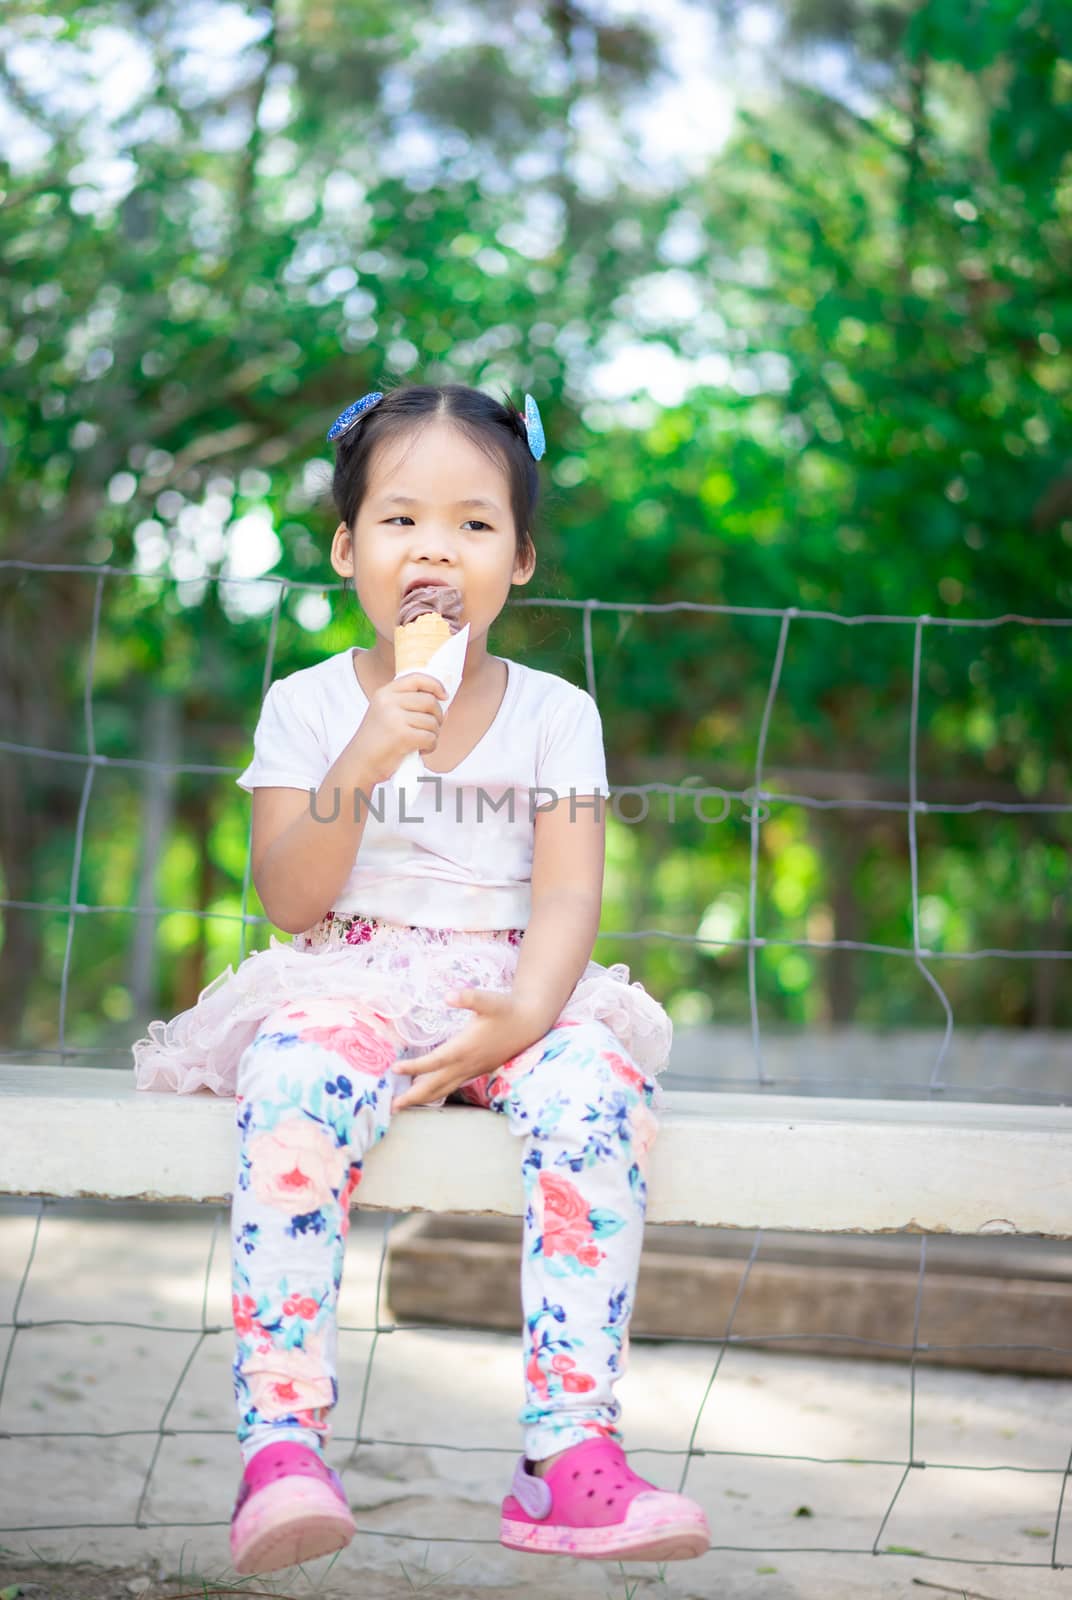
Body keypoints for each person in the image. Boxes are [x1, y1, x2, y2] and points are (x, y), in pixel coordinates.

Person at [131, 382, 710, 1574]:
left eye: (473, 522)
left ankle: (566, 1455)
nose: (434, 545)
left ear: (521, 559)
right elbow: (291, 898)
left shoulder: (555, 713)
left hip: (511, 988)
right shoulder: (306, 705)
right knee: (293, 1086)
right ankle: (280, 1444)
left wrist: (528, 1015)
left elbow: (563, 895)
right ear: (347, 550)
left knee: (600, 1093)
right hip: (351, 978)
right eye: (399, 520)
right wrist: (369, 745)